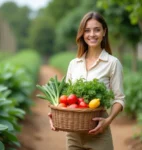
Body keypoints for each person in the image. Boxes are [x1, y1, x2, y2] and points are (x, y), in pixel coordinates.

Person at [48, 11, 125, 150]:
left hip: (99, 131)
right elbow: (67, 97)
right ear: (82, 34)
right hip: (74, 135)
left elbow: (119, 99)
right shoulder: (74, 64)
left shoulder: (112, 63)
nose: (92, 34)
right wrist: (55, 114)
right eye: (87, 30)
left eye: (97, 30)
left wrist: (107, 121)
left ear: (104, 32)